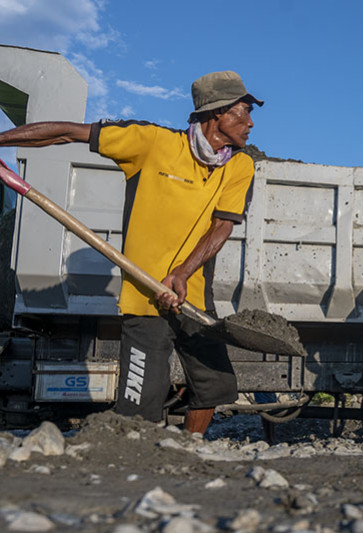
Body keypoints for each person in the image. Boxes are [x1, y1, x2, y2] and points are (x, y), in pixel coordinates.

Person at [0, 70, 263, 436]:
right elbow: (68, 132)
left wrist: (183, 274)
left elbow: (222, 225)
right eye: (242, 112)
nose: (250, 123)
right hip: (145, 298)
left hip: (194, 299)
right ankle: (135, 459)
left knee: (215, 384)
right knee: (139, 403)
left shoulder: (239, 165)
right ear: (215, 113)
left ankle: (189, 448)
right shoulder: (152, 143)